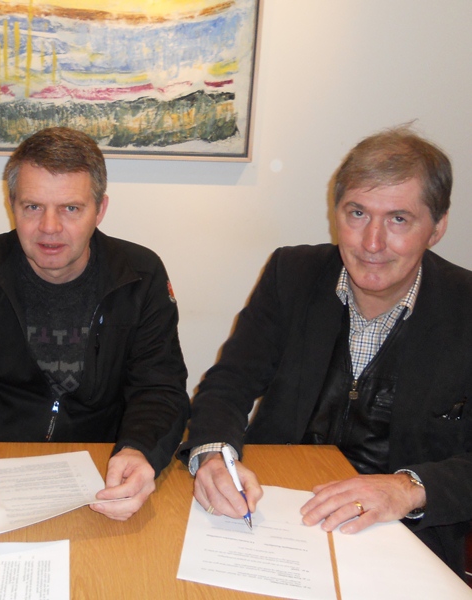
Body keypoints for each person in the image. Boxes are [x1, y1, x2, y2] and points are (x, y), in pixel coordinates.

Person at [179, 125, 472, 576]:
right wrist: (214, 454)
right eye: (357, 213)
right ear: (336, 213)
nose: (371, 243)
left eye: (398, 219)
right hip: (274, 515)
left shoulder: (465, 307)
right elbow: (229, 384)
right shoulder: (292, 274)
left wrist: (408, 488)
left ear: (437, 228)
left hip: (404, 537)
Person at [0, 127, 190, 522]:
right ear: (12, 205)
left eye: (71, 208)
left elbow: (160, 389)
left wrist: (139, 451)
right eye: (33, 207)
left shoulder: (140, 276)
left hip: (102, 469)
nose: (50, 227)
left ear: (100, 210)